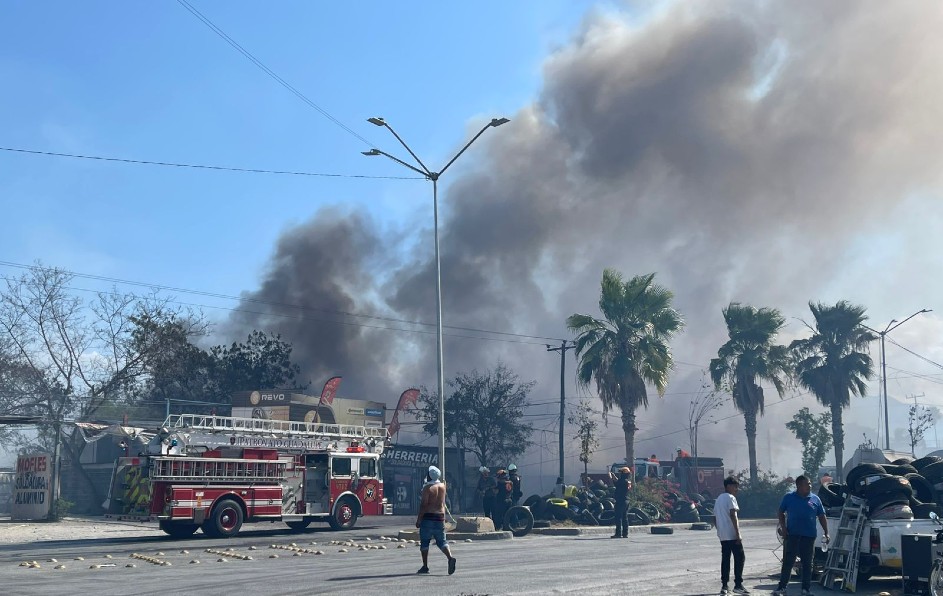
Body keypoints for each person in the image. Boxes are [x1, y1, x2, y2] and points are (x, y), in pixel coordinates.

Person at [772, 475, 829, 596]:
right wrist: (783, 527)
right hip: (792, 536)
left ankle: (806, 589)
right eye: (806, 484)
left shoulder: (815, 499)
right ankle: (782, 588)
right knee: (788, 562)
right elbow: (780, 511)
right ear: (798, 486)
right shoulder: (789, 497)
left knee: (808, 564)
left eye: (809, 484)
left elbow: (822, 516)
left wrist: (826, 532)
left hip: (809, 536)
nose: (809, 486)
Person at [415, 465, 456, 575]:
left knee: (425, 542)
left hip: (428, 517)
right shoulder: (442, 486)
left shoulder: (427, 488)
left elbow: (424, 504)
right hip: (440, 517)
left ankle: (425, 566)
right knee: (441, 541)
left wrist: (419, 519)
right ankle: (450, 557)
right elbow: (443, 503)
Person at [714, 476, 749, 595]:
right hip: (732, 534)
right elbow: (733, 515)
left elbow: (714, 518)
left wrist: (719, 530)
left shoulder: (718, 498)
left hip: (723, 535)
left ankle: (724, 586)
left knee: (725, 560)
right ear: (728, 486)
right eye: (735, 486)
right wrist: (738, 534)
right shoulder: (730, 497)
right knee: (740, 558)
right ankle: (738, 585)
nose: (737, 489)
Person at [611, 467, 631, 539]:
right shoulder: (626, 481)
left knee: (618, 517)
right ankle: (625, 533)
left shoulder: (623, 481)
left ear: (623, 473)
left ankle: (618, 533)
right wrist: (614, 477)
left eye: (621, 473)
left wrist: (612, 478)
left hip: (621, 501)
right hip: (626, 501)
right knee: (625, 518)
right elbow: (618, 482)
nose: (620, 474)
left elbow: (617, 483)